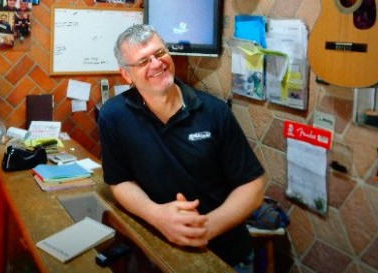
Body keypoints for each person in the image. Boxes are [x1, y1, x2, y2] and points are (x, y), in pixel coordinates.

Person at [97, 24, 265, 272]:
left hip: (225, 254)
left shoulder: (214, 111)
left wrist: (205, 227)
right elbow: (120, 181)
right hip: (156, 251)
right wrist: (156, 215)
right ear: (126, 75)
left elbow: (253, 186)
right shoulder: (113, 115)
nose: (156, 64)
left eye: (160, 53)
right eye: (143, 62)